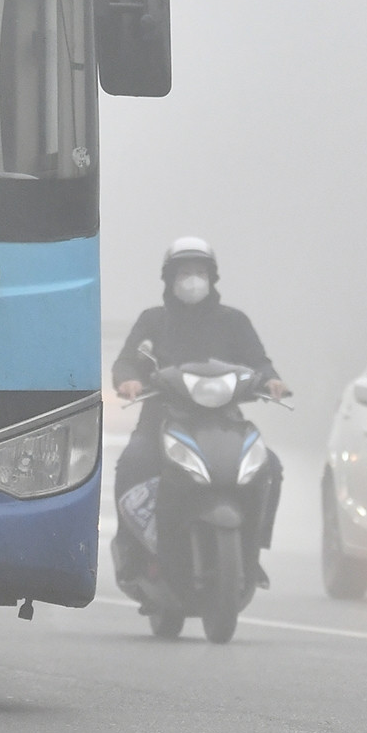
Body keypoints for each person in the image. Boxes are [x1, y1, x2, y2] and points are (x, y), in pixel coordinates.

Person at [111, 237, 288, 584]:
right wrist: (129, 380)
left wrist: (271, 381)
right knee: (132, 463)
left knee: (271, 468)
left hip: (225, 425)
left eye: (199, 272)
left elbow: (259, 362)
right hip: (161, 422)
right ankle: (132, 549)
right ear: (169, 279)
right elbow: (126, 362)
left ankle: (250, 552)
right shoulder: (153, 321)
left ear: (212, 278)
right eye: (184, 272)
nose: (192, 280)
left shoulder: (234, 322)